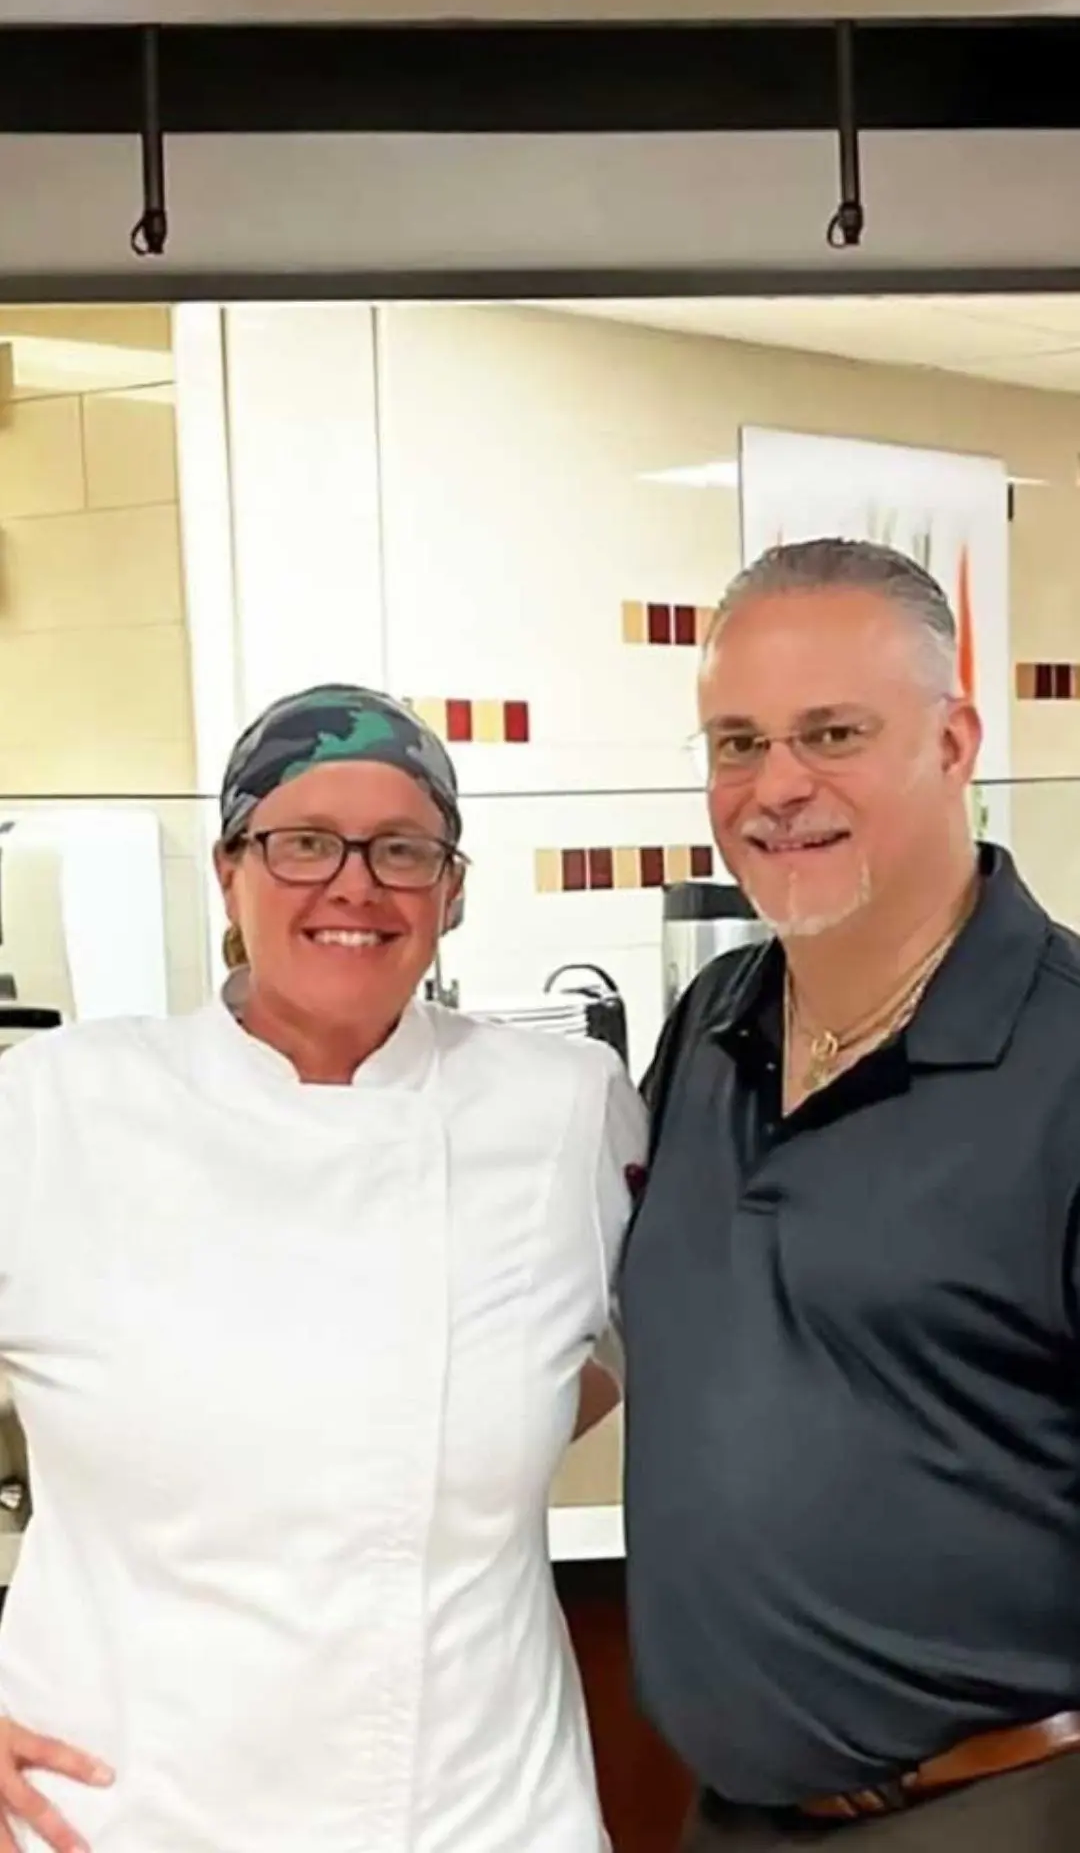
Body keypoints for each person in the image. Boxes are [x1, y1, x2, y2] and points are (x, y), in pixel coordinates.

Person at [0, 683, 644, 1853]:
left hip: (478, 1811)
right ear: (229, 872)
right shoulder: (55, 1107)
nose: (354, 885)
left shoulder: (564, 1110)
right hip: (130, 1808)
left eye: (403, 850)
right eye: (302, 844)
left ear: (451, 892)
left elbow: (620, 1346)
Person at [619, 540, 1080, 1851]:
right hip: (735, 1815)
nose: (776, 788)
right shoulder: (713, 1023)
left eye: (832, 733)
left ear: (952, 742)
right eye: (736, 742)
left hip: (1006, 1808)